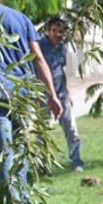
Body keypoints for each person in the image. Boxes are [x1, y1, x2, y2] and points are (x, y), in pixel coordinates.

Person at [0, 0, 62, 183]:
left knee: (5, 155)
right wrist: (52, 96)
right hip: (24, 95)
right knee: (22, 153)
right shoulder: (21, 18)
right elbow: (38, 59)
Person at [38, 17, 84, 172]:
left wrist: (68, 93)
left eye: (61, 32)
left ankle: (76, 161)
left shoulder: (63, 48)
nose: (58, 34)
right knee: (43, 132)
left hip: (61, 94)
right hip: (41, 96)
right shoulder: (38, 46)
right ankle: (43, 165)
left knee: (71, 129)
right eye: (54, 31)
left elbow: (62, 72)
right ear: (48, 31)